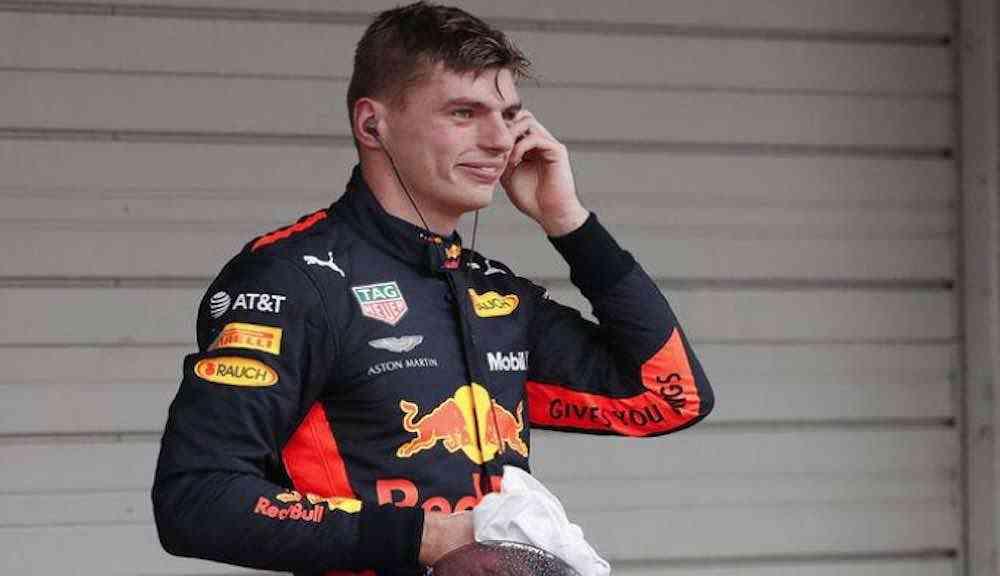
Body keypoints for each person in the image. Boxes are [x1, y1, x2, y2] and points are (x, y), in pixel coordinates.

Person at [152, 3, 714, 575]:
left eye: (510, 116)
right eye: (464, 113)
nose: (499, 140)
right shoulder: (293, 279)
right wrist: (429, 535)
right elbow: (195, 499)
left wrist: (568, 222)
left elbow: (669, 397)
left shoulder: (493, 293)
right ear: (372, 124)